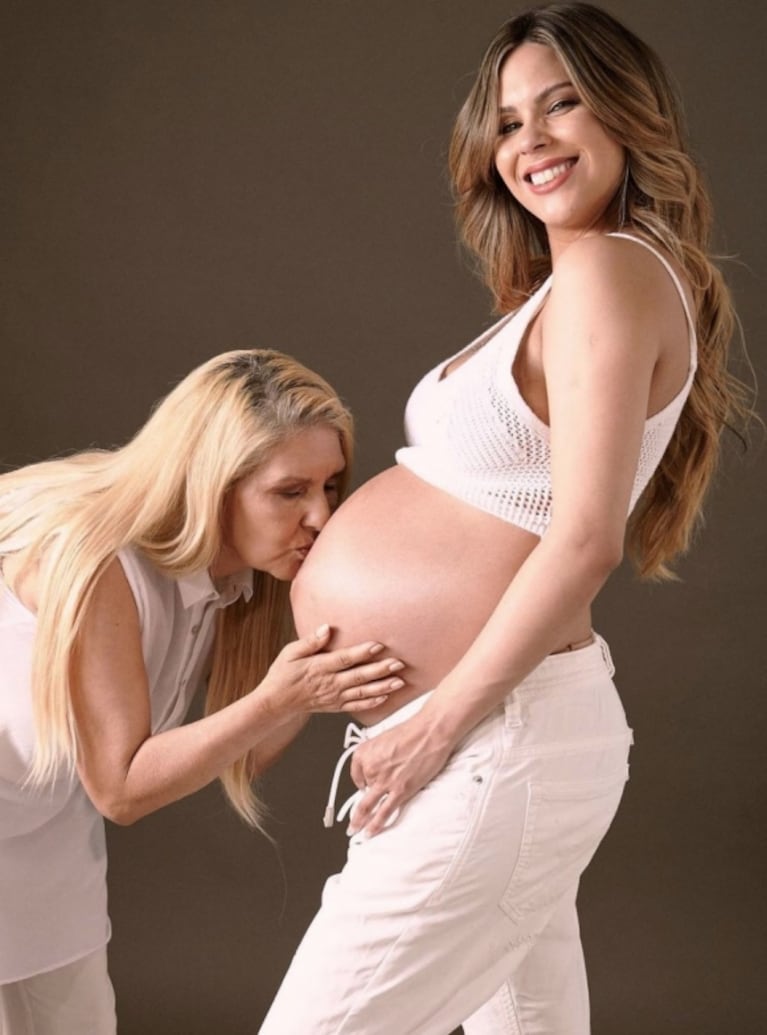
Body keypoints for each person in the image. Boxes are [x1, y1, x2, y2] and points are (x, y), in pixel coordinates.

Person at [259, 4, 752, 1034]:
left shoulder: (610, 270)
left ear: (624, 112)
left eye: (561, 105)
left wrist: (435, 725)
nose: (530, 141)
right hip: (494, 741)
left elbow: (583, 539)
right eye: (508, 122)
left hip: (489, 740)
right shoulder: (573, 283)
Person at [0, 348, 406, 1035]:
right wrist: (280, 697)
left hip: (45, 834)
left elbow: (239, 754)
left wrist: (313, 680)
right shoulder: (97, 560)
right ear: (212, 485)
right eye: (290, 491)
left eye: (330, 486)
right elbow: (122, 790)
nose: (321, 517)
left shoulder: (233, 579)